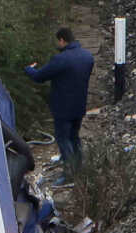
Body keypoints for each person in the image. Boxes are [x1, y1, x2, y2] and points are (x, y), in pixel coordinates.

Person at [22, 27, 94, 179]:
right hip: (79, 105)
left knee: (63, 139)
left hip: (63, 108)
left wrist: (29, 69)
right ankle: (79, 168)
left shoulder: (60, 59)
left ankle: (69, 173)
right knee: (74, 137)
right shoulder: (88, 57)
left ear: (62, 40)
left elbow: (40, 77)